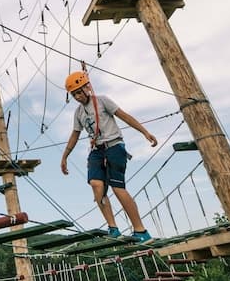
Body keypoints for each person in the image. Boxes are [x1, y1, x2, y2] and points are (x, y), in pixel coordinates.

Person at [59, 71, 158, 242]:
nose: (77, 97)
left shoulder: (102, 101)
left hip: (114, 146)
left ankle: (141, 230)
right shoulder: (78, 113)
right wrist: (65, 156)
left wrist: (145, 132)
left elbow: (124, 116)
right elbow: (75, 134)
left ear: (87, 88)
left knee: (117, 188)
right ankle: (113, 229)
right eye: (74, 94)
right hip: (97, 150)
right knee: (96, 184)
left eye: (79, 92)